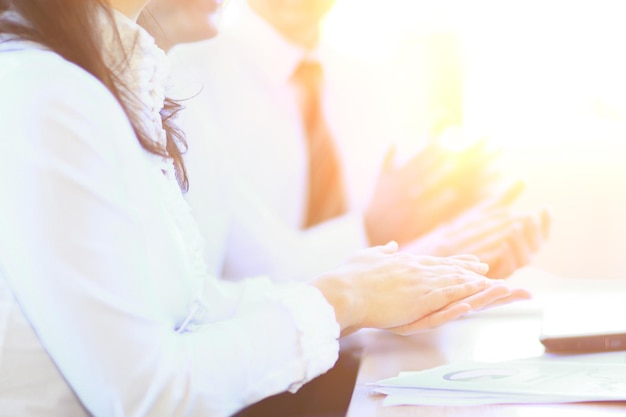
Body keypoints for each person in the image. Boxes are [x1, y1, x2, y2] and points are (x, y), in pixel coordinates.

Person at [0, 1, 531, 416]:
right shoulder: (48, 98)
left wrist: (382, 280)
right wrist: (343, 297)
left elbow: (198, 306)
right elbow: (146, 394)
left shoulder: (101, 91)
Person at [167, 0, 552, 283]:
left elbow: (406, 243)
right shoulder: (184, 83)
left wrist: (470, 257)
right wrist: (371, 228)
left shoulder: (373, 84)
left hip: (370, 351)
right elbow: (242, 275)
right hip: (268, 369)